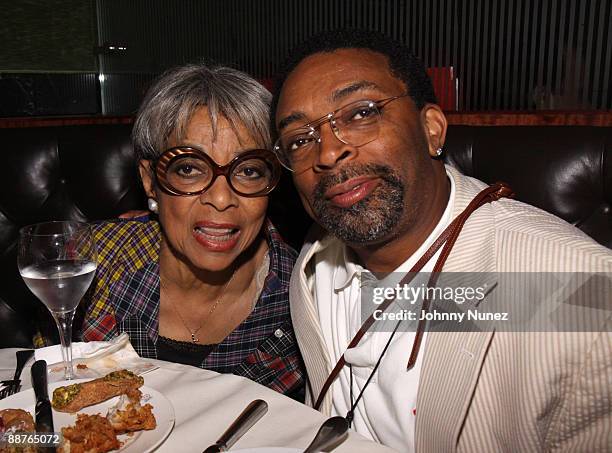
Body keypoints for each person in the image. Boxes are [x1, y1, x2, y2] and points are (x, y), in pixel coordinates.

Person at [271, 29, 612, 450]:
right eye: (300, 139)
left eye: (361, 114)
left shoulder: (580, 293)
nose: (326, 153)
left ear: (431, 129)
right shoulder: (311, 264)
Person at [80, 63, 304, 400]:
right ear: (149, 180)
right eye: (188, 168)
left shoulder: (306, 295)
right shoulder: (94, 262)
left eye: (249, 171)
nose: (220, 198)